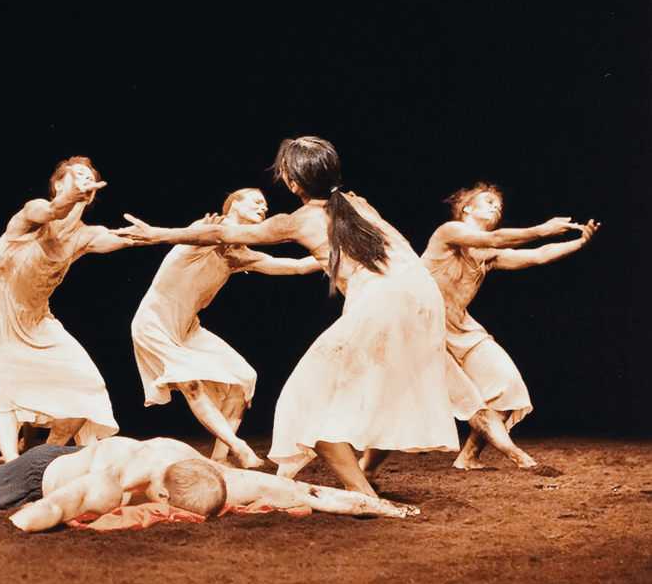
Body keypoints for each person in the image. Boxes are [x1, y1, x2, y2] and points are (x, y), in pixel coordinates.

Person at [125, 136, 458, 497]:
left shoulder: (299, 220)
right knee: (387, 386)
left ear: (294, 183)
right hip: (425, 296)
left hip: (384, 300)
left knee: (304, 402)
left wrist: (158, 234)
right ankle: (364, 473)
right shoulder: (356, 203)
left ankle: (361, 490)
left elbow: (223, 232)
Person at [0, 157, 147, 462]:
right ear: (58, 184)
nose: (86, 181)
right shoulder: (34, 212)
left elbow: (129, 238)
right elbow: (52, 210)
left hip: (36, 319)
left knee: (88, 385)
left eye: (90, 178)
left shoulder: (85, 236)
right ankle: (12, 464)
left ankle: (47, 455)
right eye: (78, 176)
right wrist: (71, 197)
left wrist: (179, 233)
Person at [0, 436, 420, 530]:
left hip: (74, 470)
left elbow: (308, 492)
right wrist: (33, 520)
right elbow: (67, 502)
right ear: (158, 490)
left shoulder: (224, 478)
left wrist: (378, 506)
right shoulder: (122, 477)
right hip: (43, 471)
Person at [130, 188, 321, 469]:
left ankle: (219, 459)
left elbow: (296, 267)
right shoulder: (207, 230)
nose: (263, 208)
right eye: (257, 202)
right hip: (154, 323)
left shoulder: (240, 255)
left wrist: (336, 254)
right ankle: (239, 448)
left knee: (243, 380)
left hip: (188, 329)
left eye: (266, 205)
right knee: (192, 384)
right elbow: (194, 233)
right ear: (233, 205)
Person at [421, 183, 598, 471]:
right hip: (423, 328)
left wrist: (580, 243)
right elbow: (499, 239)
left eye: (499, 205)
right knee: (461, 400)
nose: (496, 206)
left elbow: (538, 256)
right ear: (467, 208)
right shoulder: (449, 232)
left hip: (462, 328)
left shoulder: (488, 256)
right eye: (489, 201)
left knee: (507, 385)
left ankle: (468, 457)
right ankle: (516, 455)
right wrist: (541, 229)